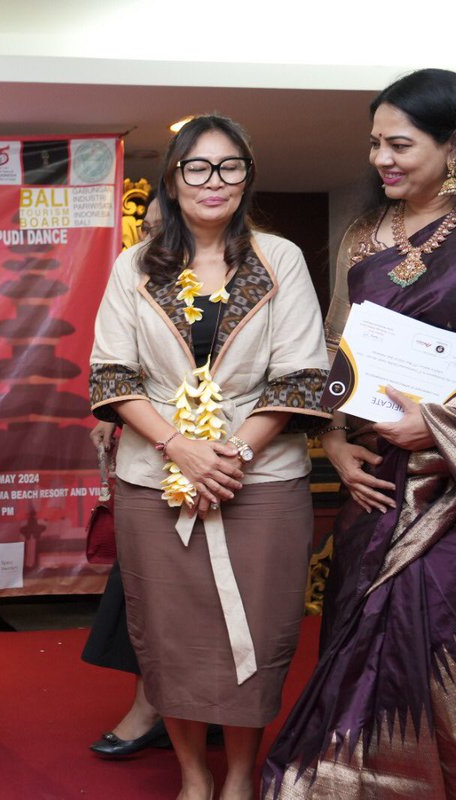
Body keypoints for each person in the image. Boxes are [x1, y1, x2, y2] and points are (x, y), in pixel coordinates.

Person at [90, 114, 330, 800]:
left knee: (258, 629)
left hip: (263, 478)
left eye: (230, 167)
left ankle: (239, 776)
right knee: (170, 635)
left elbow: (299, 377)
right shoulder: (134, 267)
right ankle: (194, 775)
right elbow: (111, 377)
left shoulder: (277, 257)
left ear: (247, 178)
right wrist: (179, 447)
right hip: (153, 475)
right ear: (173, 178)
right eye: (198, 167)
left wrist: (225, 458)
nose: (213, 181)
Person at [263, 68, 456, 799]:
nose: (383, 159)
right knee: (356, 622)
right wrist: (336, 444)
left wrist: (437, 426)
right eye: (376, 143)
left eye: (401, 144)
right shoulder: (364, 236)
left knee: (429, 625)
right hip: (374, 478)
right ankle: (343, 775)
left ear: (451, 145)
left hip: (444, 485)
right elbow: (340, 353)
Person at [82, 198, 170, 757]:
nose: (155, 236)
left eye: (166, 226)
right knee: (146, 593)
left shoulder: (253, 273)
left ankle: (204, 710)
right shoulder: (133, 277)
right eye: (151, 226)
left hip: (232, 464)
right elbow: (120, 370)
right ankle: (151, 707)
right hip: (150, 460)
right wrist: (114, 420)